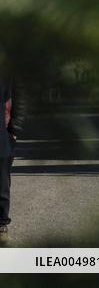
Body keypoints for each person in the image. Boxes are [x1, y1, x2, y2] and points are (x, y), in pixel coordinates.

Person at [0, 80, 23, 246]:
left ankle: (1, 226)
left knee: (1, 183)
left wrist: (14, 129)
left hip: (2, 135)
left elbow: (20, 97)